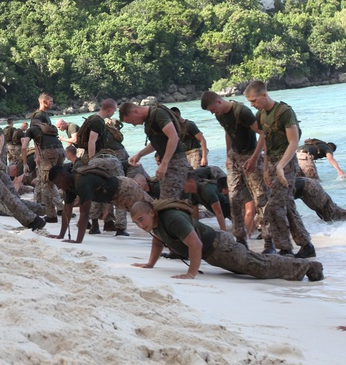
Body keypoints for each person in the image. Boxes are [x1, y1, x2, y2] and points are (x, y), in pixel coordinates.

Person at [129, 201, 322, 282]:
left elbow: (195, 244)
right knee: (253, 267)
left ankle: (309, 267)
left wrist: (191, 274)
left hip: (221, 247)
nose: (140, 225)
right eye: (136, 223)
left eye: (141, 220)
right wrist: (150, 264)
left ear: (151, 212)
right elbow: (158, 242)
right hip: (215, 253)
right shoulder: (155, 225)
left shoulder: (171, 218)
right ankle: (306, 267)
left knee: (261, 267)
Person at [244, 80, 314, 259]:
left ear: (264, 95)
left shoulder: (284, 112)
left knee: (274, 207)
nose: (252, 105)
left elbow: (294, 142)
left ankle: (285, 249)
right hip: (273, 163)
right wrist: (266, 167)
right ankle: (306, 246)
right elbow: (266, 141)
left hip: (287, 163)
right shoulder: (261, 115)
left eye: (254, 101)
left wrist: (281, 166)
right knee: (287, 205)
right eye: (250, 102)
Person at [200, 91, 269, 249]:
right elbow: (228, 133)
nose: (213, 113)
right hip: (235, 158)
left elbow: (262, 134)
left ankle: (268, 240)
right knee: (234, 198)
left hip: (250, 154)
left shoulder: (242, 111)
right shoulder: (221, 115)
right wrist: (228, 154)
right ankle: (240, 239)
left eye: (212, 110)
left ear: (218, 101)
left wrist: (254, 158)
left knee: (260, 200)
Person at [49, 164, 151, 243]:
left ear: (63, 176)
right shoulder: (69, 187)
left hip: (125, 189)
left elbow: (84, 214)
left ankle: (164, 242)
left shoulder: (81, 183)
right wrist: (60, 236)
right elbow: (66, 212)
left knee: (152, 211)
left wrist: (78, 241)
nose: (58, 186)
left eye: (58, 183)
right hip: (116, 198)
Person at [120, 102, 192, 201]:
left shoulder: (158, 113)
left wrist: (164, 163)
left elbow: (173, 137)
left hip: (176, 162)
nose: (135, 125)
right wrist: (139, 154)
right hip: (169, 163)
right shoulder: (149, 121)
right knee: (170, 200)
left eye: (132, 121)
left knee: (169, 201)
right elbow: (156, 143)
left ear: (135, 111)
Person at [20, 93, 65, 222]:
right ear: (44, 102)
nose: (52, 103)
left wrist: (25, 163)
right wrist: (38, 154)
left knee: (46, 182)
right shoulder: (38, 116)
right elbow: (38, 138)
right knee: (51, 180)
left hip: (49, 151)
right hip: (59, 149)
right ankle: (61, 207)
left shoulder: (42, 118)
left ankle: (51, 214)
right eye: (51, 101)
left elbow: (32, 139)